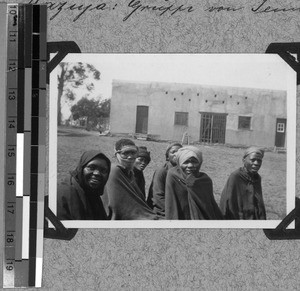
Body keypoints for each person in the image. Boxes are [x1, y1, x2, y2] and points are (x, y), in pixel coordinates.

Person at [102, 139, 162, 220]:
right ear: (117, 154)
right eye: (125, 153)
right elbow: (117, 205)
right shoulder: (114, 171)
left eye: (133, 153)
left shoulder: (130, 173)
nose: (130, 157)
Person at [165, 146, 223, 220]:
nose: (190, 165)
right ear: (179, 163)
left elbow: (209, 208)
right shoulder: (173, 176)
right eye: (186, 162)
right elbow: (171, 205)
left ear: (200, 162)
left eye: (194, 161)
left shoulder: (204, 180)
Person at [57, 150, 111, 220]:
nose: (97, 173)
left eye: (103, 170)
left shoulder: (93, 194)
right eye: (91, 167)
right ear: (81, 169)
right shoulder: (65, 193)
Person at [219, 146, 266, 220]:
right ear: (244, 160)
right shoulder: (235, 176)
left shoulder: (257, 178)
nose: (256, 163)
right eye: (253, 160)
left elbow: (259, 204)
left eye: (259, 160)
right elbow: (225, 203)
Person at [147, 142, 182, 215]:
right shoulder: (162, 171)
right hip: (162, 210)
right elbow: (157, 197)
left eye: (180, 152)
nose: (176, 154)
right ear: (167, 156)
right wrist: (173, 211)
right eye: (173, 152)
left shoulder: (183, 171)